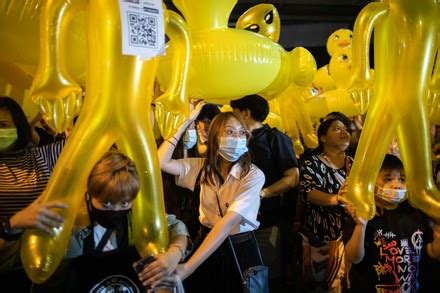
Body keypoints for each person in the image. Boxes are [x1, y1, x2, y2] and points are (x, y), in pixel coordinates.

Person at [36, 150, 191, 292]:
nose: (116, 210)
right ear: (89, 194)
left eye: (124, 203)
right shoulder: (71, 223)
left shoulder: (136, 216)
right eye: (107, 203)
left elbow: (175, 226)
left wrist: (174, 253)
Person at [158, 103, 266, 293]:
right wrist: (186, 122)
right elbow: (160, 161)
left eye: (242, 133)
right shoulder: (201, 167)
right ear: (215, 137)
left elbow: (227, 223)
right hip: (205, 245)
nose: (238, 138)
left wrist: (188, 267)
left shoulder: (253, 175)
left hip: (239, 249)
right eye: (230, 132)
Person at [230, 94, 299, 289]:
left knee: (264, 276)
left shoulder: (275, 138)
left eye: (234, 113)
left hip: (267, 223)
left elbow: (292, 177)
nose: (231, 118)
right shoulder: (234, 140)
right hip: (234, 223)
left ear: (246, 113)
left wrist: (262, 194)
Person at [342, 154, 440, 292]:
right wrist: (361, 226)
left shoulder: (415, 213)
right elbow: (354, 258)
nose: (397, 186)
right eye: (388, 179)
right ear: (371, 182)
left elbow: (428, 251)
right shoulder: (363, 213)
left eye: (402, 179)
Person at [0, 96, 67, 291]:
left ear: (19, 127)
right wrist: (15, 223)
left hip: (49, 261)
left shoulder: (40, 156)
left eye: (3, 125)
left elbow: (84, 141)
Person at [297, 114, 352, 292]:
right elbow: (308, 192)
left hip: (350, 237)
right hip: (321, 236)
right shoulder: (312, 163)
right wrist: (335, 199)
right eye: (337, 129)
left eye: (345, 129)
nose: (344, 132)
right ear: (323, 138)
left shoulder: (355, 164)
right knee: (322, 285)